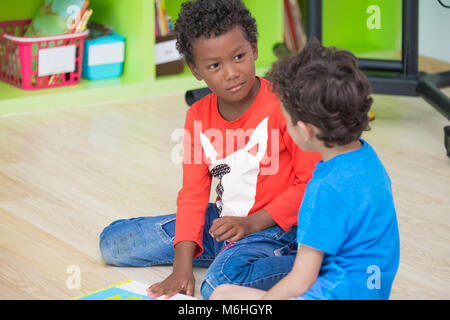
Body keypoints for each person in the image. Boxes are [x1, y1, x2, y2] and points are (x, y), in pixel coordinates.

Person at [99, 0, 320, 300]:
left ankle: (315, 266)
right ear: (196, 70)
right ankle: (229, 255)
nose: (231, 73)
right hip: (224, 221)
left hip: (276, 227)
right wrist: (181, 266)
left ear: (254, 49)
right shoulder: (198, 116)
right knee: (113, 243)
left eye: (239, 56)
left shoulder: (284, 104)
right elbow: (192, 192)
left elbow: (309, 184)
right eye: (215, 65)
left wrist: (252, 223)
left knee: (219, 285)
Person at [211, 40, 401, 300]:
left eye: (286, 121)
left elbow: (301, 279)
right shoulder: (368, 160)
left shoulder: (323, 188)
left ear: (305, 129)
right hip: (373, 292)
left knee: (220, 293)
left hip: (331, 294)